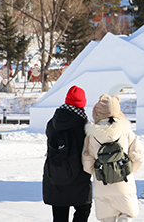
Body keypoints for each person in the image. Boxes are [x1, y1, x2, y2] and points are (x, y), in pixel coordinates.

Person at [82, 94, 144, 222]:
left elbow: (87, 162)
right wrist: (131, 169)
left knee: (107, 218)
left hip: (102, 185)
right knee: (127, 215)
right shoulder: (125, 131)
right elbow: (139, 155)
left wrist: (96, 172)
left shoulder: (91, 135)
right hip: (124, 183)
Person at [43, 85, 93, 222]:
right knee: (83, 208)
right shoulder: (83, 125)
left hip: (55, 174)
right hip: (78, 176)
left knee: (59, 214)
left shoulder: (53, 122)